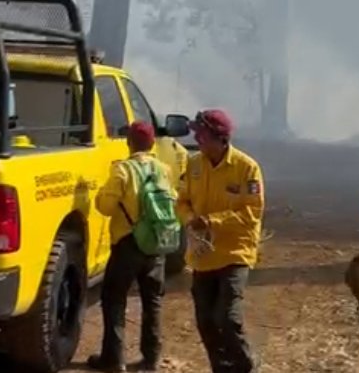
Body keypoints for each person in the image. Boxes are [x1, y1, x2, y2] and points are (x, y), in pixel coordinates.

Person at [176, 109, 263, 373]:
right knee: (206, 321)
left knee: (226, 317)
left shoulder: (246, 167)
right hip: (203, 257)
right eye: (196, 134)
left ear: (220, 138)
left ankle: (247, 366)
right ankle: (222, 368)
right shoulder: (193, 165)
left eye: (202, 134)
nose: (197, 139)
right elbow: (181, 202)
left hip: (235, 252)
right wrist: (190, 218)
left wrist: (212, 221)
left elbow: (252, 212)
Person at [88, 122, 174, 372]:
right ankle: (151, 358)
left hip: (128, 243)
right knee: (153, 300)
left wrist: (96, 195)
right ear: (152, 144)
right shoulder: (163, 169)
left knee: (114, 299)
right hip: (157, 242)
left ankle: (113, 360)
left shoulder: (123, 170)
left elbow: (105, 207)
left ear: (129, 143)